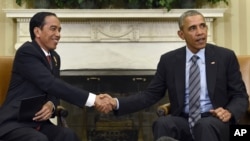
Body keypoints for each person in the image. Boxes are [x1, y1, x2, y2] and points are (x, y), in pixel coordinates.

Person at [96, 10, 249, 141]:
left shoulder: (225, 57)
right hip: (184, 120)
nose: (200, 32)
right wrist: (116, 103)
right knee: (163, 123)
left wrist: (229, 112)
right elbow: (150, 95)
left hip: (216, 122)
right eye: (193, 28)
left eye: (202, 26)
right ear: (181, 34)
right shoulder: (169, 60)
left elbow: (240, 95)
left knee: (204, 125)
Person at [0, 12, 112, 141]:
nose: (58, 34)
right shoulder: (27, 52)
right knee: (39, 139)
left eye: (59, 30)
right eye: (53, 29)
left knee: (68, 135)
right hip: (15, 123)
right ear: (37, 31)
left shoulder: (54, 57)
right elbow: (50, 83)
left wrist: (51, 104)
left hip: (37, 123)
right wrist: (93, 99)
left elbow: (54, 92)